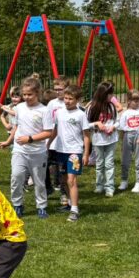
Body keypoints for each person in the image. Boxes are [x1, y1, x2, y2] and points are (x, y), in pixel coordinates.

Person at [0, 77, 54, 219]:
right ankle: (17, 205)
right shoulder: (19, 108)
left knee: (39, 181)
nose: (27, 97)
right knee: (16, 177)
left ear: (38, 93)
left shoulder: (44, 111)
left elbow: (48, 132)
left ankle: (41, 206)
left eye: (30, 95)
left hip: (37, 152)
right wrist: (8, 141)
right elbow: (16, 126)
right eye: (24, 94)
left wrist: (29, 139)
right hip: (19, 151)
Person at [48, 85, 91, 222]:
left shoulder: (81, 114)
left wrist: (85, 154)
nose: (67, 101)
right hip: (60, 151)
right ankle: (70, 204)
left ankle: (75, 210)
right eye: (66, 98)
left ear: (77, 100)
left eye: (70, 99)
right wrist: (48, 144)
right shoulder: (59, 112)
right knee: (63, 180)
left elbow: (86, 136)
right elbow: (55, 129)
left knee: (72, 180)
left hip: (74, 152)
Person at [86, 81, 119, 197]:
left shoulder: (112, 106)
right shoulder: (91, 107)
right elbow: (86, 124)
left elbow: (118, 121)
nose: (112, 97)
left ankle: (109, 187)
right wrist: (96, 124)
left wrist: (113, 127)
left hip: (111, 139)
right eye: (110, 94)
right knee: (99, 163)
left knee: (109, 163)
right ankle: (99, 185)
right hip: (98, 140)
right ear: (103, 94)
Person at [118, 90, 139, 193]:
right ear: (128, 100)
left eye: (138, 100)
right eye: (134, 100)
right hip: (127, 136)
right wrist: (122, 142)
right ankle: (124, 180)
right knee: (125, 161)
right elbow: (122, 129)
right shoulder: (125, 113)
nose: (136, 103)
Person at [47, 77, 69, 206]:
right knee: (49, 166)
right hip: (52, 141)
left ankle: (64, 193)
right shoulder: (52, 104)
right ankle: (48, 187)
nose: (57, 92)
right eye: (56, 90)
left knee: (63, 169)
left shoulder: (70, 103)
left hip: (65, 143)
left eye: (60, 89)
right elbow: (48, 122)